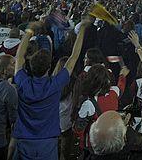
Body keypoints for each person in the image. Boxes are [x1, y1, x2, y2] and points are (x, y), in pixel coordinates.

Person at [13, 16, 89, 160]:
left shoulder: (23, 82)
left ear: (29, 65)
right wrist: (82, 29)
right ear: (49, 67)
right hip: (47, 142)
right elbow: (74, 57)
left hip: (24, 140)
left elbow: (19, 58)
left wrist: (29, 32)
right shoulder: (55, 84)